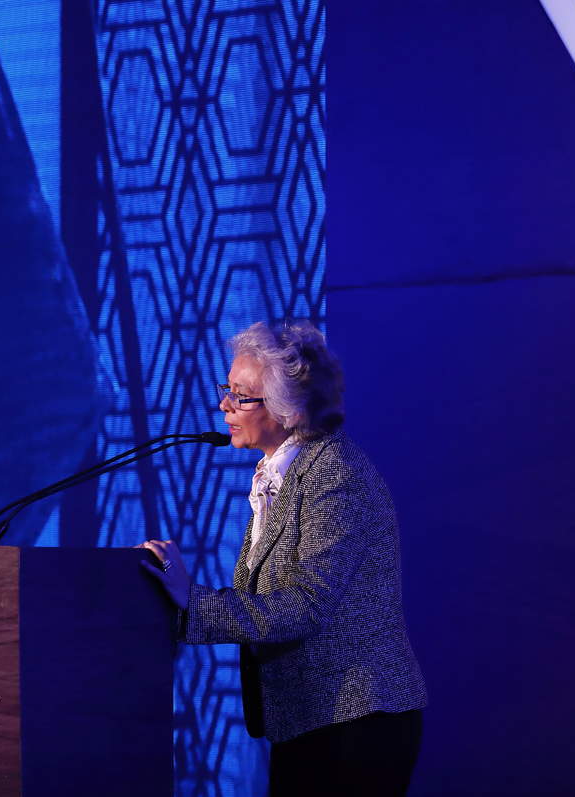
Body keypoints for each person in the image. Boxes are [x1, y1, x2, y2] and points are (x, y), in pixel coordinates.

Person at [141, 321, 426, 795]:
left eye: (241, 397)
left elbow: (305, 606)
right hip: (312, 720)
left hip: (355, 722)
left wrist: (192, 602)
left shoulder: (333, 474)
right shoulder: (281, 475)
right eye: (227, 391)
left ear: (288, 409)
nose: (224, 406)